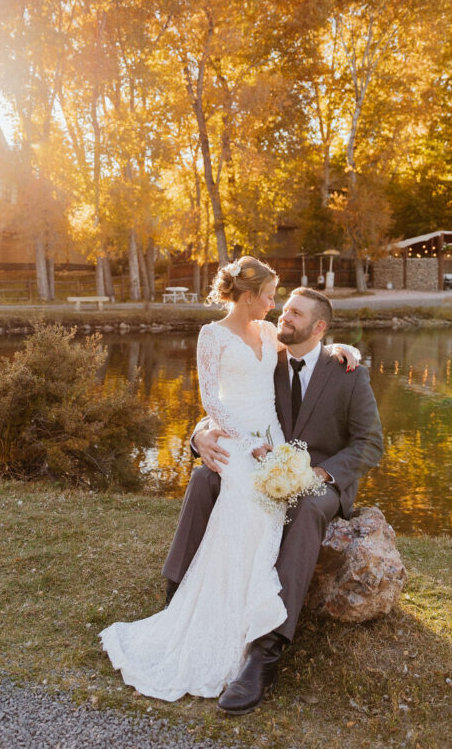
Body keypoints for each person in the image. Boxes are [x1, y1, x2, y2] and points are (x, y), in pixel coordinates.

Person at [99, 257, 363, 705]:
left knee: (270, 507)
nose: (276, 306)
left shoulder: (267, 334)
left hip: (275, 441)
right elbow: (209, 398)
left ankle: (260, 635)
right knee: (239, 497)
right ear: (248, 296)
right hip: (239, 440)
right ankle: (207, 610)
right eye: (270, 295)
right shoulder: (212, 335)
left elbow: (308, 348)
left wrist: (344, 349)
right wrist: (217, 437)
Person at [163, 282, 384, 714]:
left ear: (318, 327)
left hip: (321, 480)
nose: (283, 316)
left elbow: (370, 443)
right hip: (264, 463)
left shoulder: (348, 372)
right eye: (284, 308)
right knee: (203, 480)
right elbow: (230, 405)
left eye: (296, 314)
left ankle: (266, 651)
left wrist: (321, 472)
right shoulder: (269, 356)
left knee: (303, 508)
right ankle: (177, 591)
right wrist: (199, 435)